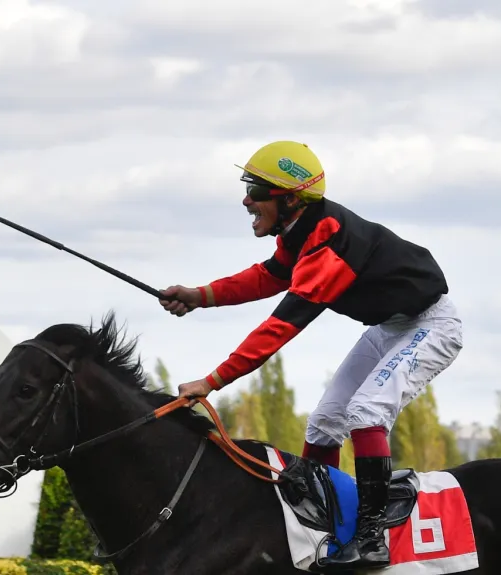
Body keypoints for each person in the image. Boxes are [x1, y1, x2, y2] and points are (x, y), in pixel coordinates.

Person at [159, 140, 463, 571]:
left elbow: (279, 328)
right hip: (389, 328)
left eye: (257, 191)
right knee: (322, 425)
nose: (247, 199)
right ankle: (321, 526)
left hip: (430, 326)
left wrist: (212, 382)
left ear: (291, 198)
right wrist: (199, 295)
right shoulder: (303, 229)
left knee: (365, 412)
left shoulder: (330, 247)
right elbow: (266, 277)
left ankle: (372, 538)